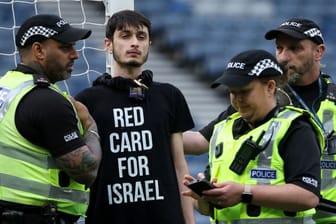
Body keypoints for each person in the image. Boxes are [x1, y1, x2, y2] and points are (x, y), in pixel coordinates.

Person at [183, 17, 336, 223]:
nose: (283, 57)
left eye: (294, 49)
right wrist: (152, 132)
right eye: (279, 48)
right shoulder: (258, 99)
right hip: (289, 213)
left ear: (319, 52)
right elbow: (201, 141)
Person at [75, 10, 195, 224]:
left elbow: (180, 166)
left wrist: (190, 221)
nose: (134, 43)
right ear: (108, 44)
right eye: (125, 36)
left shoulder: (169, 95)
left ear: (149, 44)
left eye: (141, 37)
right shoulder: (87, 101)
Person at [0, 14, 102, 223]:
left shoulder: (7, 86)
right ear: (39, 50)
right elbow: (87, 171)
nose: (75, 55)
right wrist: (90, 125)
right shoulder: (48, 101)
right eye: (65, 47)